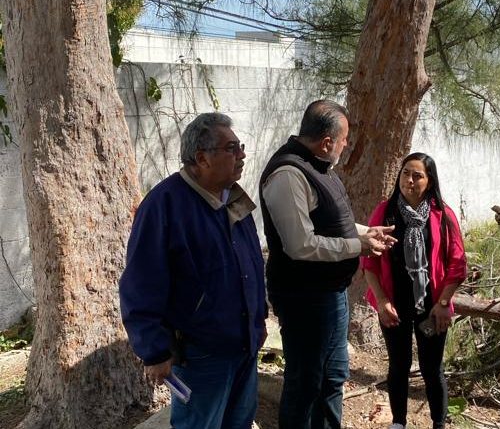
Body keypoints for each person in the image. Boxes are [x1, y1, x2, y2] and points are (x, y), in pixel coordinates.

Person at [119, 113, 268, 429]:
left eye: (239, 146)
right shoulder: (164, 205)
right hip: (201, 355)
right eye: (231, 148)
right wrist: (154, 350)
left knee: (239, 423)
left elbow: (250, 266)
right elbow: (141, 284)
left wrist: (258, 322)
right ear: (202, 157)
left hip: (244, 346)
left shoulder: (234, 197)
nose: (241, 155)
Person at [259, 99, 395, 429]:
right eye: (345, 139)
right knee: (305, 384)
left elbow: (332, 221)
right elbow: (300, 245)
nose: (347, 145)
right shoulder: (288, 175)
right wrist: (357, 245)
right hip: (304, 299)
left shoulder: (319, 166)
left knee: (332, 378)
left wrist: (367, 232)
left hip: (330, 295)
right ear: (327, 142)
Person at [361, 152, 467, 429]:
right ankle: (399, 423)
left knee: (432, 368)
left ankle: (439, 423)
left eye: (417, 175)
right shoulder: (385, 212)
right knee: (398, 365)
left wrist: (444, 302)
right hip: (394, 304)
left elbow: (457, 263)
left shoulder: (443, 215)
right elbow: (369, 262)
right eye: (405, 173)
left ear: (429, 181)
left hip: (432, 306)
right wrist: (382, 301)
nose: (409, 180)